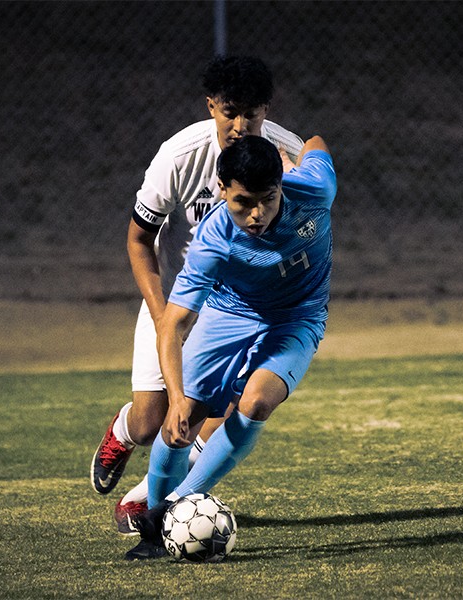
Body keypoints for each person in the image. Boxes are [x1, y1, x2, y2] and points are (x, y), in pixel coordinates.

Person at [90, 56, 304, 536]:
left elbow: (309, 217)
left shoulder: (284, 157)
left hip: (240, 309)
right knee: (152, 422)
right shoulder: (180, 157)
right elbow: (138, 239)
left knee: (212, 414)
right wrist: (161, 311)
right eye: (229, 111)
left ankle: (149, 500)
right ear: (211, 106)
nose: (241, 125)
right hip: (177, 300)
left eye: (252, 113)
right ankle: (123, 433)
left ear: (266, 110)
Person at [124, 134, 336, 560]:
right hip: (228, 312)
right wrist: (179, 397)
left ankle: (168, 511)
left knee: (256, 402)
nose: (257, 214)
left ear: (281, 186)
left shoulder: (315, 188)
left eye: (268, 199)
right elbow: (173, 324)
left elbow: (316, 142)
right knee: (183, 417)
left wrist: (291, 157)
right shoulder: (212, 240)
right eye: (243, 202)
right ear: (222, 190)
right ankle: (158, 528)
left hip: (297, 316)